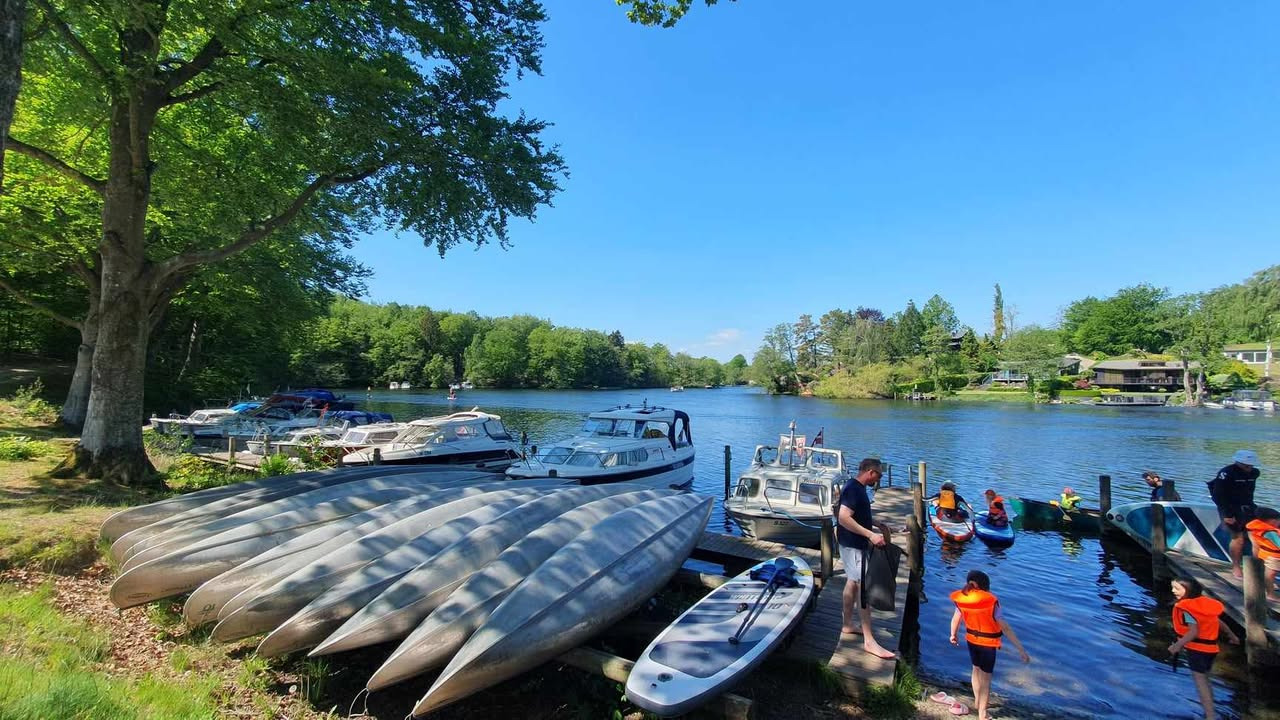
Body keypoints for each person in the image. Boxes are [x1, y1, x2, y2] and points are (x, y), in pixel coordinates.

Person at [947, 570, 1031, 720]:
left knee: (975, 670)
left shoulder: (963, 598)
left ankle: (978, 702)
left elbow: (956, 618)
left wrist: (953, 634)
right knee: (986, 678)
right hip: (988, 644)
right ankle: (982, 714)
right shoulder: (991, 601)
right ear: (985, 586)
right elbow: (1005, 627)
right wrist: (1021, 649)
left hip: (972, 640)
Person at [834, 457, 896, 659]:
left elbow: (854, 513)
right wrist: (870, 535)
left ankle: (847, 625)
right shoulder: (854, 489)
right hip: (854, 546)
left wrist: (875, 522)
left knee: (852, 582)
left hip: (851, 544)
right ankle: (869, 642)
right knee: (864, 591)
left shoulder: (855, 487)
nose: (879, 478)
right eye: (879, 474)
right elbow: (843, 517)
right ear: (870, 472)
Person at [1168, 576, 1240, 720]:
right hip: (1211, 650)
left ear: (1188, 590)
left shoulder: (1187, 610)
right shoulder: (1203, 605)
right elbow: (1217, 621)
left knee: (1201, 683)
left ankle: (1210, 716)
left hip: (1197, 651)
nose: (1173, 591)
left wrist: (1177, 645)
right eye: (1173, 587)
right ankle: (1210, 711)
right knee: (1206, 680)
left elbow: (1193, 632)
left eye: (1177, 588)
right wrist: (1232, 636)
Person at [1209, 449, 1261, 579]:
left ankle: (1256, 568)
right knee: (1238, 538)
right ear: (1237, 462)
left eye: (1251, 465)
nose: (1249, 467)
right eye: (1246, 464)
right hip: (1229, 507)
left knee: (1256, 537)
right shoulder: (1226, 473)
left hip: (1248, 506)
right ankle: (1236, 567)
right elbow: (1217, 495)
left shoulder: (1255, 473)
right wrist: (1227, 514)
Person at [1245, 507, 1280, 602]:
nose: (1279, 522)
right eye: (1277, 520)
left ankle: (1267, 588)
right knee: (1270, 574)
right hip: (1274, 557)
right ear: (1271, 521)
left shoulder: (1259, 528)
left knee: (1268, 573)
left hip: (1265, 554)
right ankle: (1270, 594)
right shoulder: (1270, 532)